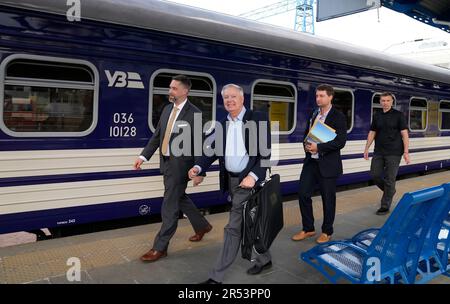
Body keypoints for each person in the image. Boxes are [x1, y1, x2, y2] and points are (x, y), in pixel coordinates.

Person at [188, 84, 272, 284]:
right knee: (249, 223)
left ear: (243, 99)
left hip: (250, 183)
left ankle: (215, 278)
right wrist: (198, 169)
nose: (229, 100)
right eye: (226, 97)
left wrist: (253, 175)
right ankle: (265, 258)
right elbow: (210, 151)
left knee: (233, 227)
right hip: (232, 181)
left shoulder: (257, 118)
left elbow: (266, 155)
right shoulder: (222, 124)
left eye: (234, 96)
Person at [134, 75, 212, 263]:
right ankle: (202, 226)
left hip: (182, 165)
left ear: (185, 91)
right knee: (178, 197)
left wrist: (199, 171)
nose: (170, 91)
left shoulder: (195, 114)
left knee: (169, 204)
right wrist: (143, 156)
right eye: (170, 88)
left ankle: (160, 247)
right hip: (167, 162)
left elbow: (201, 144)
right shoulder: (167, 109)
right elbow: (158, 135)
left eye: (174, 88)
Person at [292, 84, 347, 244]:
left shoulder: (338, 116)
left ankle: (327, 231)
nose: (318, 98)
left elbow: (341, 141)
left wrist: (319, 147)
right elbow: (307, 133)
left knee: (328, 199)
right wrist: (306, 144)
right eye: (317, 96)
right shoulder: (314, 113)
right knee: (303, 193)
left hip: (328, 164)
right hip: (311, 162)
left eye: (322, 96)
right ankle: (308, 228)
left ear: (330, 97)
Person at [364, 92, 410, 215]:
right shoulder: (377, 115)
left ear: (392, 102)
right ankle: (390, 191)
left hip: (394, 152)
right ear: (380, 102)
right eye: (383, 100)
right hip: (379, 150)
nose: (385, 103)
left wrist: (406, 152)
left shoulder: (399, 115)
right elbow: (372, 132)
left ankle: (385, 206)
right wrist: (366, 148)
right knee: (375, 174)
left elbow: (404, 134)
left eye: (388, 100)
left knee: (390, 178)